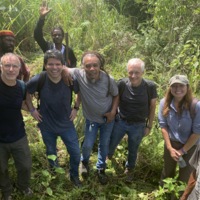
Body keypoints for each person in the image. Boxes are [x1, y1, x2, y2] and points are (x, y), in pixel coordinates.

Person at [26, 49, 81, 187]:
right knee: (51, 151)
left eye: (58, 64)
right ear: (45, 65)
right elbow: (27, 93)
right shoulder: (40, 78)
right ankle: (55, 173)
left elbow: (79, 94)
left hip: (66, 124)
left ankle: (74, 175)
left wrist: (75, 108)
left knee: (75, 152)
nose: (54, 67)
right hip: (47, 125)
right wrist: (32, 110)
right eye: (50, 64)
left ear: (63, 65)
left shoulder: (69, 79)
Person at [67, 51, 119, 185]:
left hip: (108, 119)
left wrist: (113, 112)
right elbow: (61, 67)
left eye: (95, 65)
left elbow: (116, 95)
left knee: (104, 144)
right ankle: (84, 162)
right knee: (88, 144)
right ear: (82, 66)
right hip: (91, 119)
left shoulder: (108, 79)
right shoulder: (79, 74)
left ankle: (101, 168)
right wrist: (64, 72)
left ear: (100, 65)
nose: (92, 69)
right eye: (88, 65)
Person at [108, 58, 157, 183]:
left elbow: (152, 107)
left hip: (139, 125)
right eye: (130, 72)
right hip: (121, 121)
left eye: (137, 72)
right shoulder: (122, 84)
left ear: (142, 72)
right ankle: (108, 158)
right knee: (112, 142)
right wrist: (113, 115)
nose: (133, 76)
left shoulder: (150, 86)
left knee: (133, 149)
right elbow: (115, 99)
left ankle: (130, 169)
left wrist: (149, 126)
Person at [158, 75, 200, 195]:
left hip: (190, 146)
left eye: (181, 86)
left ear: (187, 87)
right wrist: (170, 148)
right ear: (170, 88)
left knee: (185, 177)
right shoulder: (164, 103)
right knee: (167, 172)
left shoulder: (196, 106)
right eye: (174, 86)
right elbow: (163, 126)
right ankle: (163, 195)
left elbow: (197, 133)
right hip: (171, 143)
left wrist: (182, 151)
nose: (178, 89)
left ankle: (180, 197)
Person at [0, 53, 33, 200]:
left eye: (14, 66)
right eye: (7, 65)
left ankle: (23, 186)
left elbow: (24, 105)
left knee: (25, 166)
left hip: (18, 134)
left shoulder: (22, 86)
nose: (11, 69)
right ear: (1, 67)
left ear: (20, 69)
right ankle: (6, 192)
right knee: (1, 169)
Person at [34, 1, 77, 68]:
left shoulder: (68, 50)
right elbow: (37, 35)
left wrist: (69, 71)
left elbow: (74, 63)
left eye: (59, 35)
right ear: (52, 36)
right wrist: (41, 18)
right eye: (54, 35)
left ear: (62, 37)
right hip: (49, 76)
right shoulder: (47, 47)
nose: (57, 37)